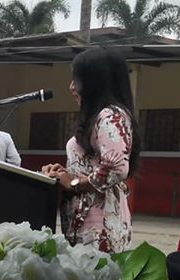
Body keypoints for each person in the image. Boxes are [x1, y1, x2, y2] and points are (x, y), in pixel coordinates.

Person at [41, 48, 139, 254]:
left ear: (96, 82)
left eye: (77, 80)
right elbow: (93, 164)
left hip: (98, 228)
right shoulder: (99, 117)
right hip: (86, 224)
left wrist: (74, 183)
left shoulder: (110, 116)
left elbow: (116, 167)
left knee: (96, 273)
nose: (71, 87)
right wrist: (64, 174)